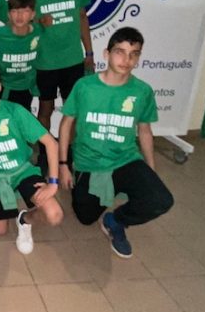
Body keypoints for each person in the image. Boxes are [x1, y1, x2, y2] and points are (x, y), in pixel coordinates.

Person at [58, 27, 174, 258]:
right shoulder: (85, 86)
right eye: (120, 52)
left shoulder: (142, 91)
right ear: (106, 54)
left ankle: (116, 220)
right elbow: (66, 123)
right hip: (89, 162)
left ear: (138, 58)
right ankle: (100, 191)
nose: (126, 60)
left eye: (134, 54)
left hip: (125, 159)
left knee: (161, 200)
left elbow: (144, 131)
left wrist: (150, 169)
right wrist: (63, 165)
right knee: (85, 217)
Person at [0, 62, 63, 254]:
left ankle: (25, 220)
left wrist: (53, 183)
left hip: (22, 171)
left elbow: (52, 144)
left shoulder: (15, 111)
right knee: (0, 231)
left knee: (54, 214)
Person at [23, 0, 94, 133]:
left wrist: (89, 52)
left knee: (73, 111)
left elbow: (82, 17)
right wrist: (38, 21)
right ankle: (46, 149)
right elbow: (20, 23)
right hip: (45, 61)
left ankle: (68, 149)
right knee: (45, 108)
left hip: (73, 59)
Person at [0, 0, 41, 112]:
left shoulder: (39, 32)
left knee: (22, 122)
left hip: (26, 89)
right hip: (3, 88)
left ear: (33, 14)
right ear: (9, 14)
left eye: (25, 11)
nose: (19, 16)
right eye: (15, 11)